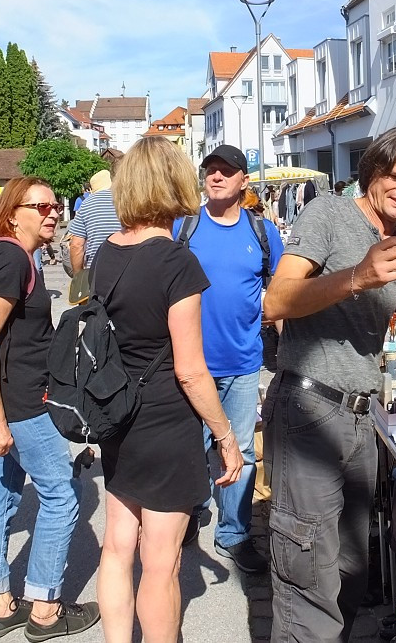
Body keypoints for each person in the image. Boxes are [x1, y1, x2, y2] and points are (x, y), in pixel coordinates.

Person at [262, 126, 396, 642]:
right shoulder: (328, 213)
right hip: (309, 406)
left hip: (362, 415)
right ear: (372, 171)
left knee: (349, 567)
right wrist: (356, 277)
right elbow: (276, 300)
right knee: (308, 572)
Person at [93, 137, 242, 643]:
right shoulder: (177, 262)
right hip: (165, 418)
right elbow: (191, 370)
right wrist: (224, 434)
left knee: (117, 545)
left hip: (118, 412)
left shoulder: (107, 253)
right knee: (162, 560)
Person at [0, 177, 100, 641]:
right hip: (19, 404)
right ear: (11, 212)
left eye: (55, 205)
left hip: (7, 400)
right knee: (62, 497)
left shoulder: (10, 255)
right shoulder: (8, 258)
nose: (53, 213)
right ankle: (45, 608)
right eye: (40, 206)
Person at [174, 145, 283, 575]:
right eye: (210, 170)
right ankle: (188, 516)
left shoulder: (262, 231)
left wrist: (287, 346)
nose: (216, 176)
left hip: (242, 362)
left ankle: (234, 533)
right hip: (190, 364)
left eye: (226, 171)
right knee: (193, 447)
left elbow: (278, 294)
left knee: (241, 452)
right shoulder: (184, 227)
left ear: (243, 181)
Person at [68, 166, 120, 274]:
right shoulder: (126, 201)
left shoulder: (86, 204)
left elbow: (76, 245)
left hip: (95, 270)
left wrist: (79, 276)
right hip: (125, 269)